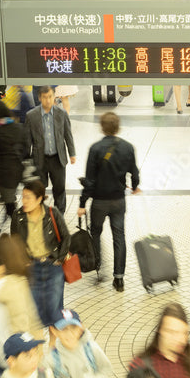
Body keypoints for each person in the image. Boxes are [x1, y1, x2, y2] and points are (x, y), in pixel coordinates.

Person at [77, 111, 141, 293]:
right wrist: (135, 186)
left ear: (102, 127)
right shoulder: (128, 148)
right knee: (119, 237)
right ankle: (119, 279)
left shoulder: (95, 149)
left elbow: (89, 181)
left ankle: (98, 269)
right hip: (118, 201)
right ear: (118, 127)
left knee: (95, 234)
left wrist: (82, 203)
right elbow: (134, 174)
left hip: (99, 202)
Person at [11, 180, 70, 333]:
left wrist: (60, 258)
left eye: (28, 197)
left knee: (55, 309)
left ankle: (54, 343)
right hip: (32, 267)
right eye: (22, 197)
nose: (23, 201)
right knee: (33, 311)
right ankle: (37, 346)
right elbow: (15, 242)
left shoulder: (52, 213)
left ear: (39, 199)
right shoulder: (18, 216)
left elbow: (66, 236)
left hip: (53, 266)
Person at [24, 85, 76, 214]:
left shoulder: (61, 114)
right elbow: (27, 140)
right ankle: (39, 215)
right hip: (40, 159)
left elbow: (67, 135)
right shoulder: (31, 116)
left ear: (54, 97)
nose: (48, 100)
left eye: (50, 97)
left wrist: (72, 153)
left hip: (57, 158)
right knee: (38, 190)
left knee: (59, 190)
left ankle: (59, 217)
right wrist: (26, 160)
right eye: (45, 97)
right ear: (39, 98)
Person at [0, 101, 25, 231]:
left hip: (6, 176)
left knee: (10, 207)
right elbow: (27, 151)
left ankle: (18, 231)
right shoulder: (20, 128)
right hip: (22, 172)